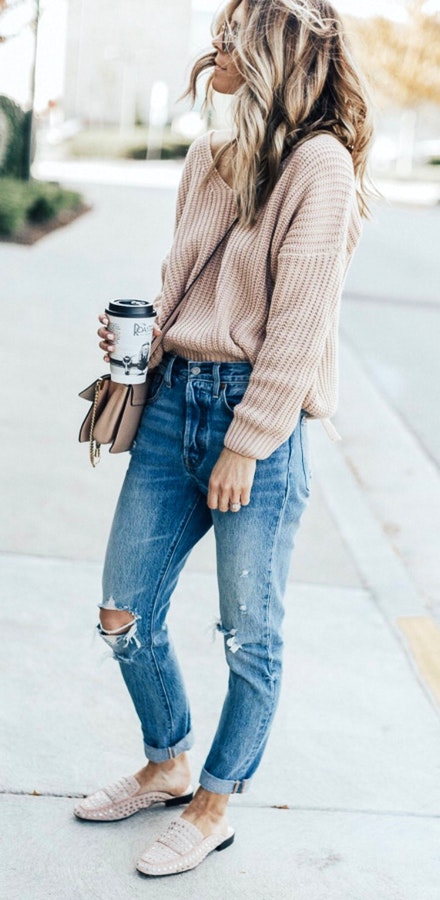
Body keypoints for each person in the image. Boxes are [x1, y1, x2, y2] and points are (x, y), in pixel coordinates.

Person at [74, 0, 373, 877]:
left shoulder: (321, 167)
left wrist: (247, 440)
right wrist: (142, 336)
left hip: (258, 420)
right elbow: (185, 276)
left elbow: (300, 325)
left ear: (272, 58)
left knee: (251, 634)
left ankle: (213, 804)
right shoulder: (211, 154)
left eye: (230, 40)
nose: (213, 50)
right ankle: (168, 760)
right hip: (175, 402)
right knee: (123, 610)